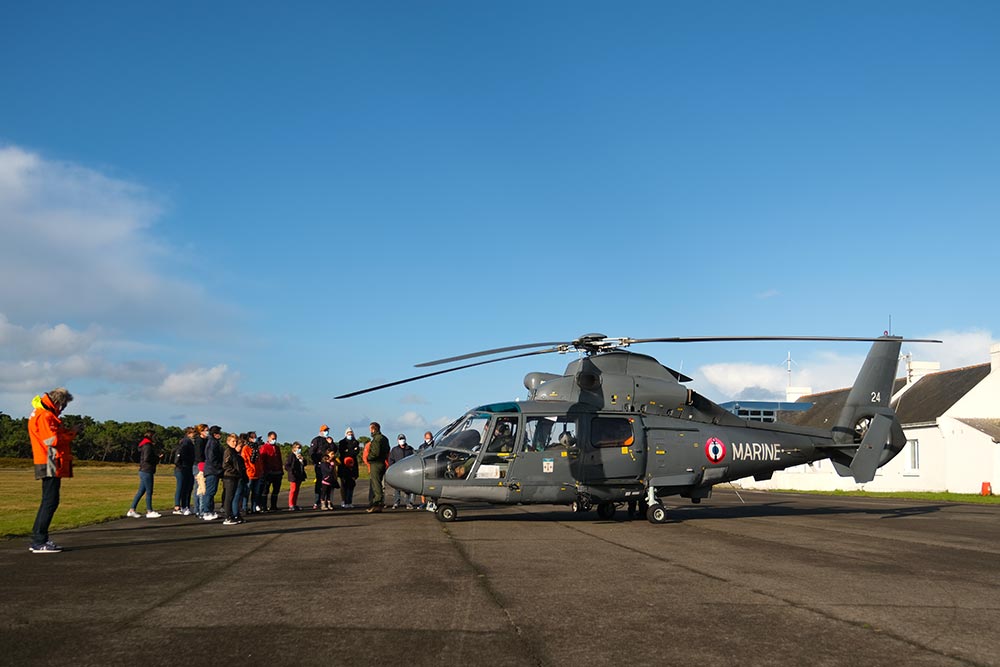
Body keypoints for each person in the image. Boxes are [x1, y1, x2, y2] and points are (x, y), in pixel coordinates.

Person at [27, 387, 80, 553]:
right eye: (62, 406)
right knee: (50, 501)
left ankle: (38, 538)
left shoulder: (42, 413)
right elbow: (51, 439)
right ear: (58, 402)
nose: (62, 410)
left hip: (47, 458)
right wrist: (72, 433)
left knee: (49, 500)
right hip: (49, 459)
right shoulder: (45, 416)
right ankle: (39, 540)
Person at [126, 431, 162, 518]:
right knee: (149, 491)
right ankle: (149, 511)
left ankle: (132, 509)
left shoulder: (145, 445)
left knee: (141, 491)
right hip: (147, 470)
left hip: (144, 470)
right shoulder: (148, 446)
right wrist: (157, 458)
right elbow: (147, 458)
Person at [364, 421, 389, 513]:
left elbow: (376, 452)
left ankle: (376, 503)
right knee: (379, 484)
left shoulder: (377, 439)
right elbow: (387, 450)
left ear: (373, 429)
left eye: (371, 429)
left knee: (376, 485)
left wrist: (369, 457)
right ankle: (379, 504)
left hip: (376, 463)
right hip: (382, 462)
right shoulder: (384, 438)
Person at [221, 433, 246, 525]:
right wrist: (235, 471)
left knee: (232, 497)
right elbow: (225, 465)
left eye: (235, 441)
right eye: (232, 441)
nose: (234, 443)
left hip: (235, 477)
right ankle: (227, 517)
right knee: (229, 497)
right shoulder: (228, 451)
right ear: (228, 442)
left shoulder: (234, 452)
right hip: (229, 477)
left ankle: (232, 515)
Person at [201, 425, 224, 521]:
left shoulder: (213, 442)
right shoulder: (212, 443)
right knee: (210, 492)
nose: (220, 435)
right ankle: (206, 511)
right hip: (212, 470)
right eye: (219, 433)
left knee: (212, 492)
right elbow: (212, 458)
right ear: (215, 434)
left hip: (213, 470)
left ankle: (210, 510)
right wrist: (219, 467)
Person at [171, 427, 195, 515]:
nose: (194, 435)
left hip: (186, 467)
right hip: (182, 468)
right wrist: (181, 465)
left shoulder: (189, 443)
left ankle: (186, 505)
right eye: (192, 433)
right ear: (188, 434)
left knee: (187, 487)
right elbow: (180, 456)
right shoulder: (185, 443)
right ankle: (178, 506)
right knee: (181, 487)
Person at [388, 434, 416, 509]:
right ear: (398, 440)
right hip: (397, 472)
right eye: (400, 439)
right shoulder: (394, 450)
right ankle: (396, 503)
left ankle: (409, 503)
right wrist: (392, 468)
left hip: (408, 472)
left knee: (408, 489)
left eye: (403, 438)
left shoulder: (410, 449)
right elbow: (391, 460)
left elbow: (414, 459)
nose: (402, 440)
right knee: (397, 488)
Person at [259, 431, 283, 511]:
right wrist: (263, 471)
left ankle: (273, 506)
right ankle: (263, 506)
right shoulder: (264, 447)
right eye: (273, 438)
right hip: (268, 472)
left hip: (277, 472)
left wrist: (280, 470)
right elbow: (261, 460)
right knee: (265, 489)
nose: (274, 440)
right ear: (268, 438)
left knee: (276, 489)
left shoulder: (277, 448)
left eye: (275, 438)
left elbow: (279, 460)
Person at [310, 425, 332, 509]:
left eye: (327, 430)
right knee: (319, 483)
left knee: (327, 483)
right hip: (319, 465)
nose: (326, 432)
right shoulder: (316, 440)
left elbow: (333, 450)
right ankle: (317, 501)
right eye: (325, 430)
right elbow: (312, 452)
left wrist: (331, 443)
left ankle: (326, 501)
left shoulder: (329, 440)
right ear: (321, 431)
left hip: (327, 464)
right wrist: (317, 462)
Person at [337, 427, 360, 508]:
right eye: (348, 433)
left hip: (353, 466)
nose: (350, 434)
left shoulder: (356, 442)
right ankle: (344, 500)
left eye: (351, 433)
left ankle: (349, 501)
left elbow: (356, 452)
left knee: (351, 484)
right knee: (344, 485)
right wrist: (350, 451)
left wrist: (350, 451)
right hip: (343, 466)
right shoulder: (342, 442)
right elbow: (342, 452)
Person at [242, 432, 264, 513]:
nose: (254, 439)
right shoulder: (246, 448)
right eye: (253, 437)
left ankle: (254, 508)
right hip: (250, 474)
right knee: (247, 492)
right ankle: (245, 507)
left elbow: (259, 461)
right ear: (249, 438)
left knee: (256, 492)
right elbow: (245, 461)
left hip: (257, 473)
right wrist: (249, 469)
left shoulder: (256, 449)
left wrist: (261, 470)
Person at [284, 441, 307, 511]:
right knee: (293, 490)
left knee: (297, 490)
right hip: (293, 475)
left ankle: (294, 503)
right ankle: (291, 504)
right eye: (298, 448)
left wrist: (302, 459)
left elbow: (304, 464)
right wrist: (292, 471)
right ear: (294, 448)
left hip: (299, 475)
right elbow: (287, 465)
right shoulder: (291, 456)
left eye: (300, 448)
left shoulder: (300, 456)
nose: (299, 449)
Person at [192, 423, 209, 517]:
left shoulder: (203, 440)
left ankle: (197, 509)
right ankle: (201, 510)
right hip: (199, 465)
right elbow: (199, 456)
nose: (207, 432)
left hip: (199, 464)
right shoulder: (199, 441)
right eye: (206, 430)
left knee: (198, 488)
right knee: (201, 488)